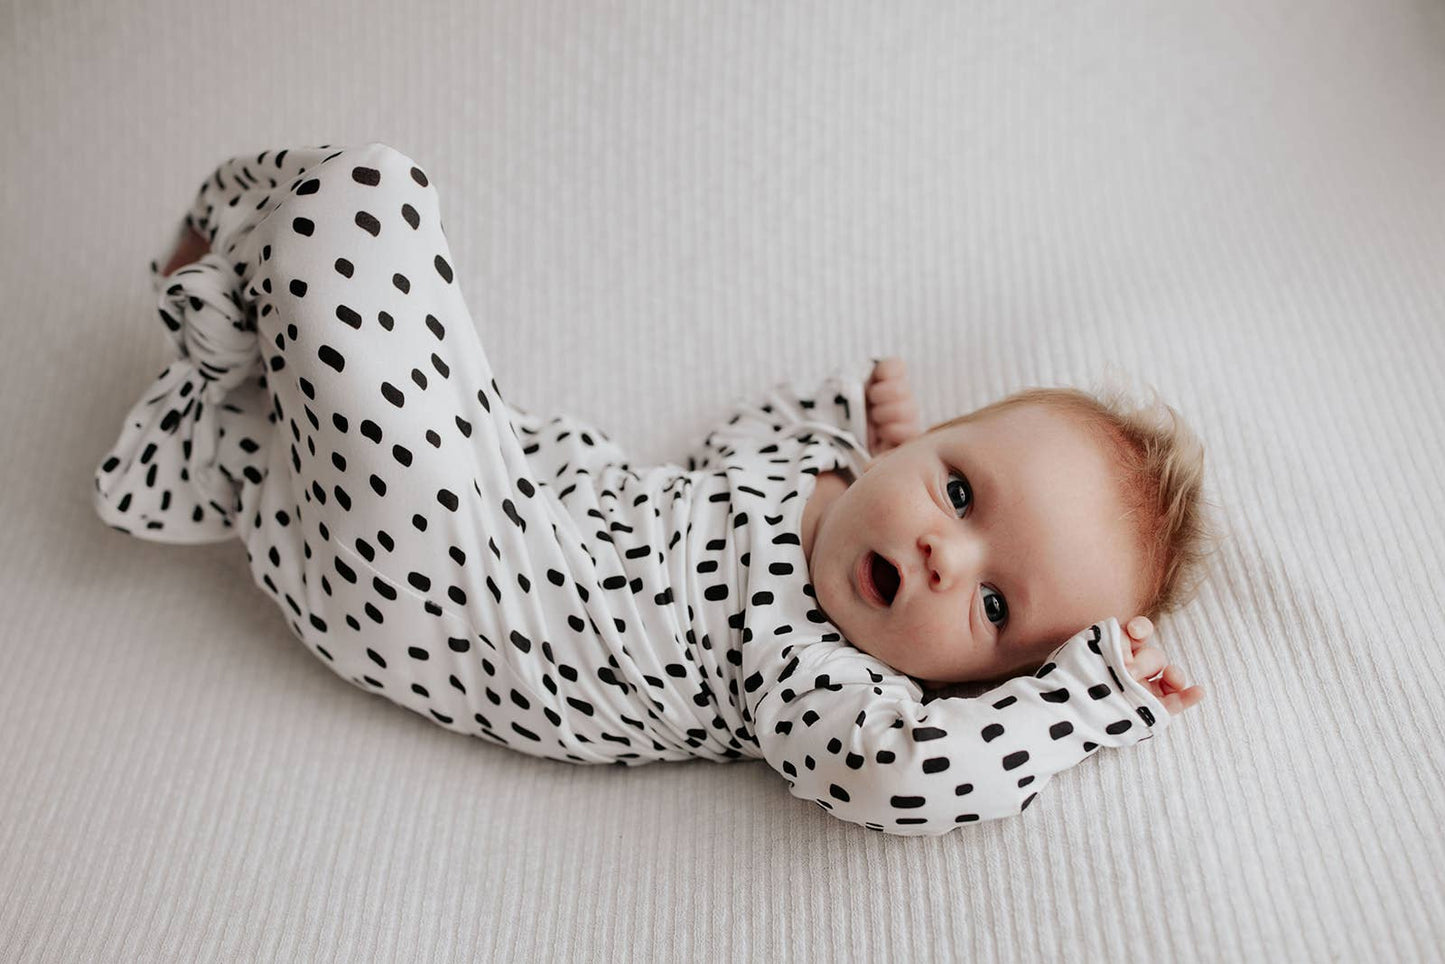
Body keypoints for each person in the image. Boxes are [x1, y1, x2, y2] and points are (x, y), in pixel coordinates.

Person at [94, 143, 1212, 836]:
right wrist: (882, 438)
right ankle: (232, 307)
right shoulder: (803, 468)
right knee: (369, 189)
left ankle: (235, 321)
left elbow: (909, 777)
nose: (939, 553)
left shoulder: (812, 676)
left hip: (450, 586)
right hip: (495, 468)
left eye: (994, 607)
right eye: (961, 494)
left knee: (352, 218)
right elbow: (768, 433)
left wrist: (1083, 699)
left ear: (982, 682)